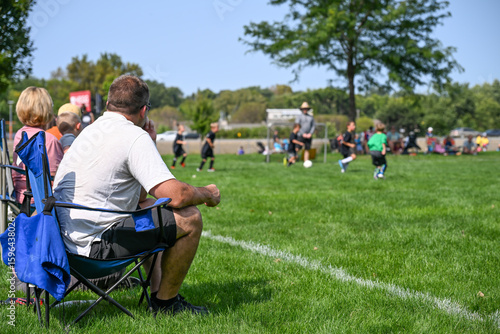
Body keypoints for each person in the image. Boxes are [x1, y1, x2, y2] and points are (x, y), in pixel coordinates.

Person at [53, 75, 220, 316]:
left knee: (152, 209)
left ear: (110, 104)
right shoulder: (132, 136)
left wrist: (150, 141)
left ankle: (156, 294)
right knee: (190, 217)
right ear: (143, 110)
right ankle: (166, 304)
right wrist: (208, 193)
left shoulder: (90, 132)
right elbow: (177, 196)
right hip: (96, 249)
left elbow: (141, 196)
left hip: (66, 241)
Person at [12, 87, 64, 203]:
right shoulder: (49, 140)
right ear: (47, 110)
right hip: (41, 202)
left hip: (19, 196)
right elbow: (57, 178)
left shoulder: (19, 134)